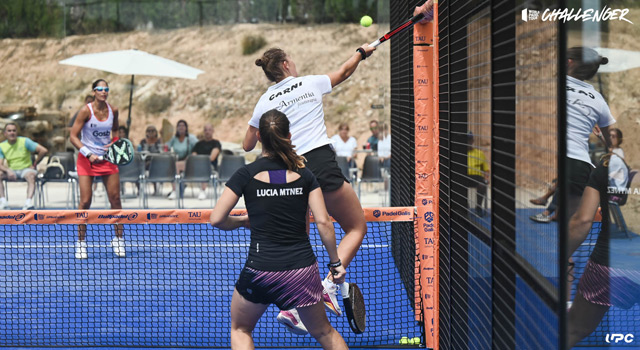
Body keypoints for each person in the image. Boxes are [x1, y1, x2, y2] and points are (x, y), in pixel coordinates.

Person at [243, 44, 375, 331]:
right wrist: (361, 53)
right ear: (287, 64)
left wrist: (259, 122)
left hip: (287, 172)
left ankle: (292, 307)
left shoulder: (264, 101)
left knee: (298, 241)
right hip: (318, 162)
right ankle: (328, 286)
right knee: (356, 227)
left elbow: (247, 144)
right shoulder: (310, 83)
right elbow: (344, 71)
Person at [211, 110, 348, 349]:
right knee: (325, 332)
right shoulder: (305, 175)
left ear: (260, 138)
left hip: (260, 270)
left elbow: (217, 219)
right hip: (302, 272)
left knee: (241, 329)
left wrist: (242, 222)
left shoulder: (245, 174)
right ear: (289, 135)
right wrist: (336, 264)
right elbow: (324, 222)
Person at [566, 152, 633, 349]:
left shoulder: (608, 165)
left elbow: (583, 220)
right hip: (612, 262)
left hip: (611, 265)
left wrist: (564, 256)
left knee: (575, 328)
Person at [69, 79, 125, 259]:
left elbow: (115, 131)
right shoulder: (86, 110)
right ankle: (81, 243)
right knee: (85, 201)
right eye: (100, 89)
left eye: (106, 89)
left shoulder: (113, 110)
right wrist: (88, 153)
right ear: (94, 91)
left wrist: (114, 146)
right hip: (87, 160)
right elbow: (73, 136)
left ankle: (118, 240)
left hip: (108, 159)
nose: (104, 92)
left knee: (115, 200)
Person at [0, 122, 48, 210]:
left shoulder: (25, 141)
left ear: (17, 132)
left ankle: (28, 203)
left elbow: (43, 150)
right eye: (9, 131)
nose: (12, 133)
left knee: (31, 175)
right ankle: (3, 202)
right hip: (11, 171)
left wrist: (35, 164)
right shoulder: (2, 146)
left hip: (26, 169)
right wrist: (7, 170)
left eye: (14, 130)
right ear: (5, 134)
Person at [165, 119, 198, 199]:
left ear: (186, 127)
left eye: (183, 126)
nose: (181, 127)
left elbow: (198, 147)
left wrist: (192, 155)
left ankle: (175, 190)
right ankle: (177, 186)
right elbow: (166, 147)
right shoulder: (173, 138)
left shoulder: (191, 138)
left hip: (189, 161)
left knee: (175, 166)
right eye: (179, 126)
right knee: (171, 165)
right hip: (177, 160)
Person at [191, 123, 222, 200]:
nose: (207, 132)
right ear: (203, 131)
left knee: (204, 165)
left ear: (213, 131)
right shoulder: (198, 144)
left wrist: (201, 159)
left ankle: (203, 190)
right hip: (197, 166)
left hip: (211, 167)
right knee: (179, 165)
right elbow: (193, 156)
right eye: (205, 130)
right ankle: (177, 190)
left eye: (209, 130)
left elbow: (212, 157)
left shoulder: (216, 143)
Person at [466, 132, 489, 217]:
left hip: (477, 177)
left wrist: (487, 178)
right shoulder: (460, 153)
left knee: (482, 184)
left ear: (472, 140)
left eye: (469, 139)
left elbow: (486, 169)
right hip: (464, 177)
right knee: (458, 184)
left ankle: (478, 208)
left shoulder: (479, 153)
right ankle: (464, 205)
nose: (467, 141)